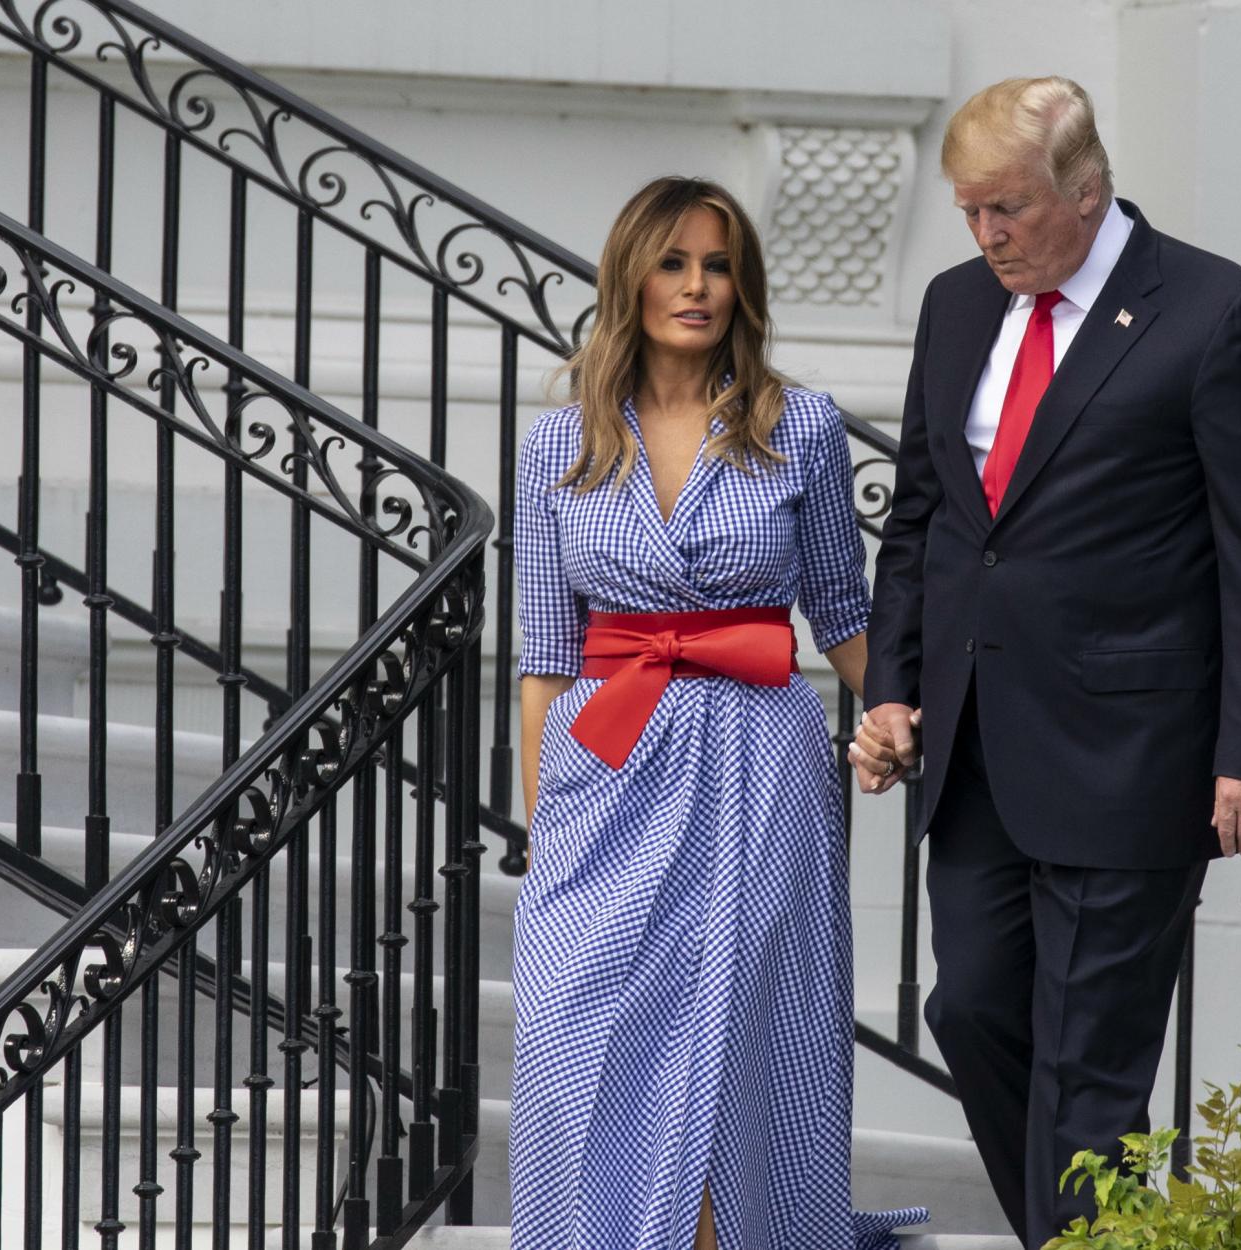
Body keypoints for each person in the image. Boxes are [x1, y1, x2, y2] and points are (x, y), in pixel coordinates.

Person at [850, 76, 1241, 1247]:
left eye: (1007, 208)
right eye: (969, 211)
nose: (987, 234)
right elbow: (925, 518)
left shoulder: (1217, 315)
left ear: (1086, 187)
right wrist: (895, 681)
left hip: (1136, 757)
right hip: (971, 753)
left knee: (1090, 1061)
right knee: (967, 1009)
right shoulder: (957, 306)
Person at [508, 175, 926, 1250]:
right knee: (575, 1028)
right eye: (673, 262)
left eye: (719, 263)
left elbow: (839, 607)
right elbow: (546, 659)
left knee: (747, 1037)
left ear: (744, 284)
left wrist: (900, 712)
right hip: (607, 761)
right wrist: (541, 830)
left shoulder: (803, 426)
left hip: (761, 757)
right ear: (630, 277)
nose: (697, 286)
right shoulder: (556, 447)